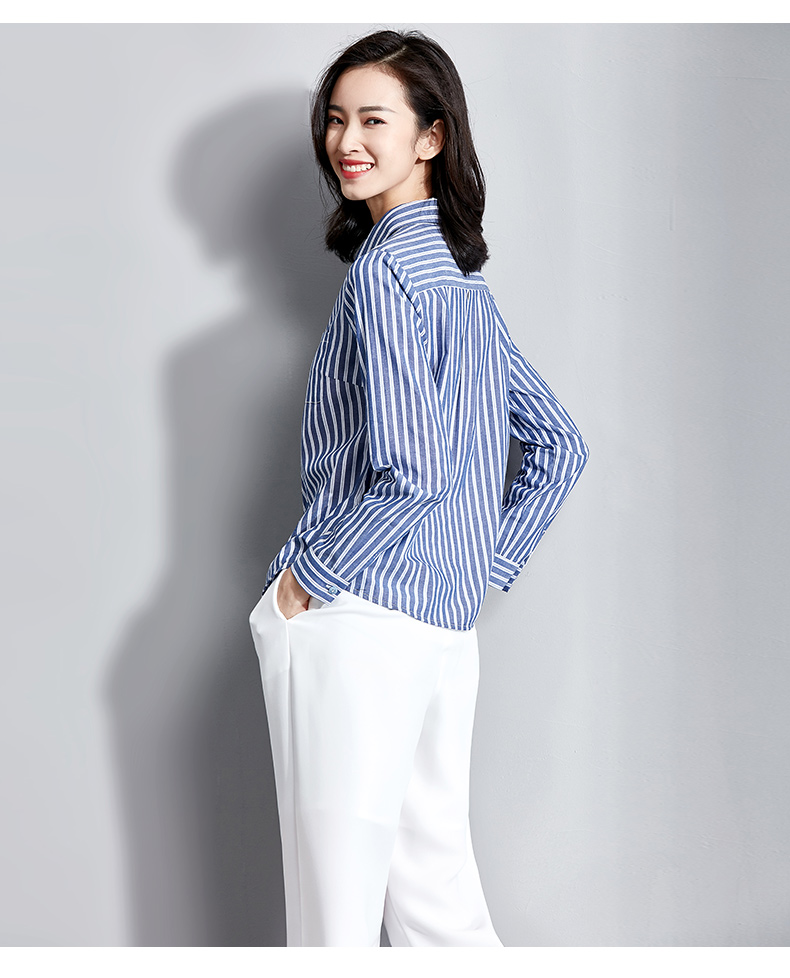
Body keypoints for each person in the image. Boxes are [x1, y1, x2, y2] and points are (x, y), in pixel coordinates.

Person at [248, 29, 589, 947]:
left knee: (333, 920)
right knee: (439, 906)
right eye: (335, 120)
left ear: (431, 137)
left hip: (358, 621)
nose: (346, 141)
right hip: (444, 629)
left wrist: (309, 577)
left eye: (374, 120)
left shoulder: (385, 275)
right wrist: (478, 564)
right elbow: (560, 446)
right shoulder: (462, 284)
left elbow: (417, 468)